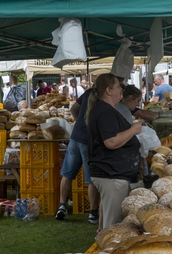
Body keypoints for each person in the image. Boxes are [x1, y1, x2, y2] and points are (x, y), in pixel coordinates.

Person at [86, 74, 142, 230]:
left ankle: (101, 236)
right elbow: (111, 142)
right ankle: (106, 244)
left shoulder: (105, 109)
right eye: (118, 87)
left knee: (108, 222)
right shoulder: (105, 112)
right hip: (110, 174)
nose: (121, 90)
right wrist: (133, 130)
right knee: (114, 226)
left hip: (111, 173)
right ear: (108, 90)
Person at [55, 84, 101, 224]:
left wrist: (79, 122)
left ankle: (62, 206)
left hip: (75, 137)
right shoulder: (105, 97)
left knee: (67, 174)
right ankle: (93, 213)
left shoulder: (88, 93)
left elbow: (73, 109)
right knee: (91, 178)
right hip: (89, 141)